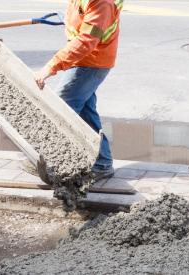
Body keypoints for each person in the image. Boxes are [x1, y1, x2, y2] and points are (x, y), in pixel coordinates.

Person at [35, 0, 123, 181]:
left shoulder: (102, 2)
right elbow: (81, 16)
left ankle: (55, 162)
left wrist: (52, 66)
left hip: (91, 62)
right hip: (85, 60)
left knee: (61, 110)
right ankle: (102, 163)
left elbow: (87, 40)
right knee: (85, 113)